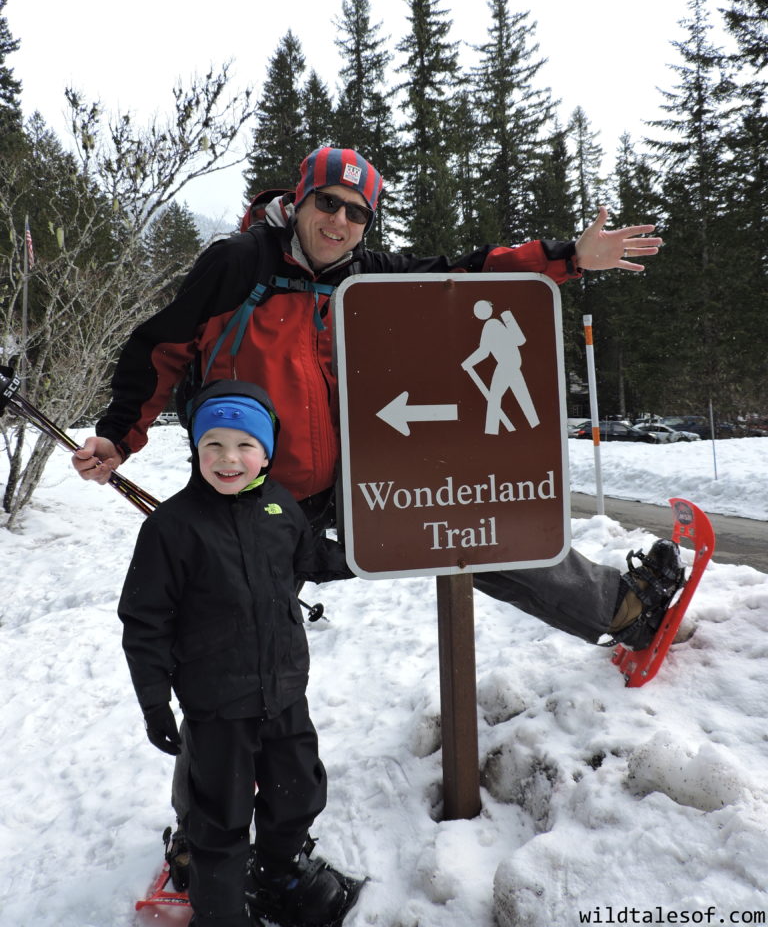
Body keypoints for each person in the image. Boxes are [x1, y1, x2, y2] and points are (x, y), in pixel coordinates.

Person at [78, 145, 682, 649]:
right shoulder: (239, 266)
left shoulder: (367, 276)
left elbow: (464, 274)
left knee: (469, 522)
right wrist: (119, 436)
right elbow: (161, 349)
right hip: (254, 481)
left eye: (357, 213)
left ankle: (622, 611)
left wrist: (569, 258)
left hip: (351, 474)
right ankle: (240, 762)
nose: (339, 222)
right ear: (300, 200)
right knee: (241, 635)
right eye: (328, 203)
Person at [119, 379, 352, 927]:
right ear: (196, 451)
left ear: (267, 451)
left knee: (297, 795)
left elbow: (313, 558)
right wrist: (156, 705)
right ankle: (222, 915)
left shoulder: (280, 507)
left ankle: (277, 875)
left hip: (285, 692)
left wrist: (372, 553)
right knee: (219, 822)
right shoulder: (170, 529)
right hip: (217, 707)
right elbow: (144, 623)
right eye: (213, 446)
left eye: (245, 445)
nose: (229, 459)